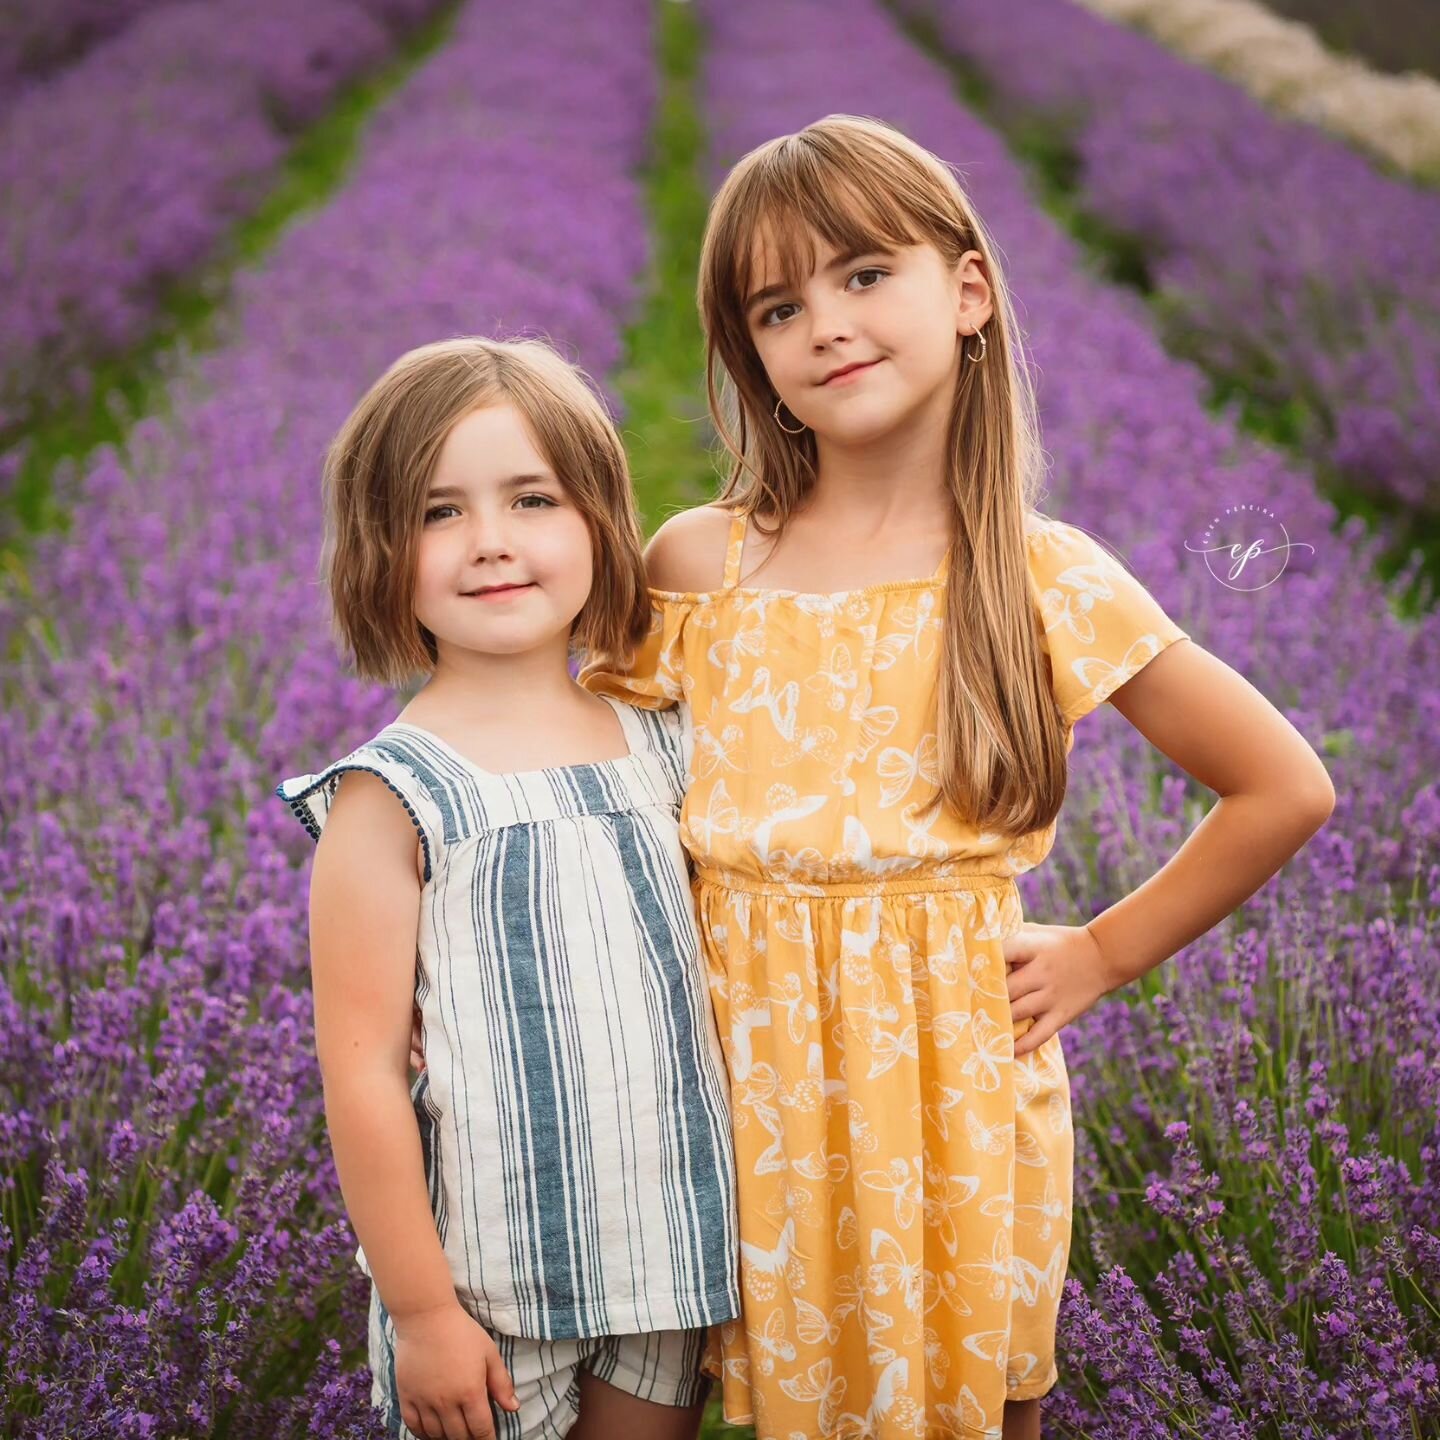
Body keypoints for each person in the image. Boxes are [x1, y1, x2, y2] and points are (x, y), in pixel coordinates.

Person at [580, 116, 1336, 1440]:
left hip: (956, 1111)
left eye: (865, 275)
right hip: (745, 1105)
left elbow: (1283, 785)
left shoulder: (1041, 577)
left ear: (969, 291)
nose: (825, 324)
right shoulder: (702, 568)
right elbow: (581, 788)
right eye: (778, 305)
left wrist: (1102, 951)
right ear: (750, 351)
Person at [276, 337, 739, 1440]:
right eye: (439, 514)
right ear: (379, 552)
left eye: (533, 499)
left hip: (671, 1250)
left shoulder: (665, 742)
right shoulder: (390, 798)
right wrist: (423, 1310)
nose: (490, 543)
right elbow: (365, 1078)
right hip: (489, 1288)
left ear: (597, 522)